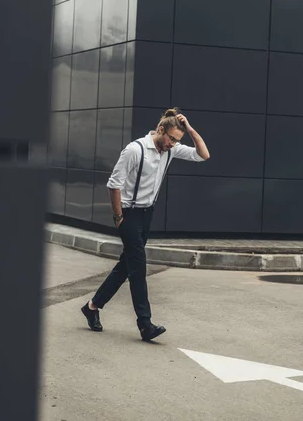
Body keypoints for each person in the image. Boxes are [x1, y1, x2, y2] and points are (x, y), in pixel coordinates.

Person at [81, 108, 210, 341]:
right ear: (160, 129)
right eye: (171, 138)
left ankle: (92, 307)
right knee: (138, 268)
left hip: (147, 214)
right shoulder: (135, 149)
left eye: (177, 140)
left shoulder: (171, 150)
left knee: (125, 266)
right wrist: (119, 217)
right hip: (128, 215)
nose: (173, 144)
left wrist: (189, 129)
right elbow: (114, 184)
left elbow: (203, 155)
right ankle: (145, 324)